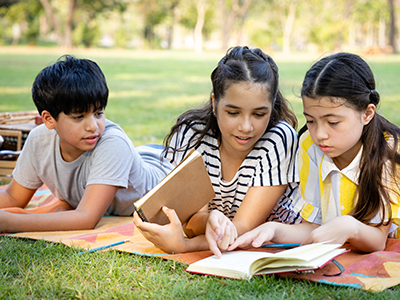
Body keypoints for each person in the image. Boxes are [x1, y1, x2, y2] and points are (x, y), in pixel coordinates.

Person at [134, 46, 301, 256]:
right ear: (214, 103)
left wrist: (184, 246)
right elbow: (191, 223)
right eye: (233, 112)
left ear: (272, 106)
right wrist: (210, 219)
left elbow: (243, 229)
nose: (246, 127)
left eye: (259, 114)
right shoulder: (193, 136)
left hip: (274, 237)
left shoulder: (278, 140)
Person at [229, 52, 400, 253]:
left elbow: (378, 240)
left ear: (367, 113)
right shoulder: (309, 146)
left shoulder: (389, 152)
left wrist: (349, 227)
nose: (320, 134)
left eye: (333, 122)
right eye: (310, 120)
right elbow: (313, 227)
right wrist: (273, 229)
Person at [0, 55, 172, 233]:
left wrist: (8, 222)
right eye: (79, 117)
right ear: (49, 119)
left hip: (167, 171)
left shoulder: (112, 143)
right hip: (139, 155)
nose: (93, 126)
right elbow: (13, 196)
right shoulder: (38, 140)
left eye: (98, 113)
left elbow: (86, 217)